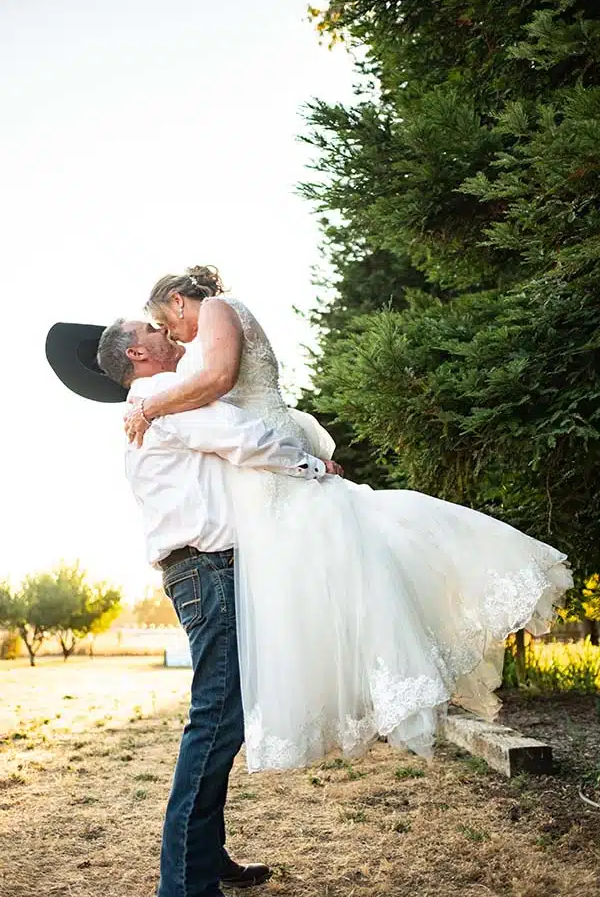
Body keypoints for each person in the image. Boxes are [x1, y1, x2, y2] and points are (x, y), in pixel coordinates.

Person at [124, 264, 573, 771]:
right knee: (309, 587)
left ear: (179, 300)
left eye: (168, 322)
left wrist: (151, 406)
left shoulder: (217, 309)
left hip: (271, 470)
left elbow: (220, 379)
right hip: (258, 481)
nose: (173, 335)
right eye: (162, 330)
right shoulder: (201, 333)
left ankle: (393, 670)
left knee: (349, 557)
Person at [96, 318, 338, 897]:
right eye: (151, 328)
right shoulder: (162, 395)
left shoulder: (157, 402)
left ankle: (205, 856)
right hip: (209, 571)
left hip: (201, 572)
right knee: (215, 722)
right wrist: (313, 467)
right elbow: (244, 439)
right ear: (138, 352)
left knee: (220, 722)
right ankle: (184, 883)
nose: (165, 330)